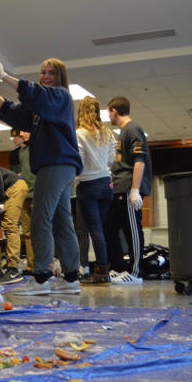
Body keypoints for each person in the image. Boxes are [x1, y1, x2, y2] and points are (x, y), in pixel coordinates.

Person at [0, 50, 83, 294]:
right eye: (43, 72)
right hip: (59, 166)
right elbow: (14, 112)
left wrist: (4, 76)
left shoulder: (59, 97)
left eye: (51, 73)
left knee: (41, 219)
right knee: (62, 220)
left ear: (60, 77)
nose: (46, 76)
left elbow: (35, 94)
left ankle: (40, 278)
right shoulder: (41, 108)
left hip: (56, 164)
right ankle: (71, 278)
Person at [103, 96, 152, 284]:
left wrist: (135, 190)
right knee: (109, 227)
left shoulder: (133, 129)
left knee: (132, 231)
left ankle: (136, 272)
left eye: (109, 112)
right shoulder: (122, 132)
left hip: (128, 189)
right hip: (118, 188)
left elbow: (139, 160)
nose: (109, 116)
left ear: (114, 111)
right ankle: (117, 267)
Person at [74, 96, 116, 284]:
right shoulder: (107, 132)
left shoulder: (79, 133)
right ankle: (103, 268)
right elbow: (111, 158)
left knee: (94, 230)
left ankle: (102, 271)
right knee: (99, 228)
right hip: (106, 184)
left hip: (88, 185)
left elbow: (79, 162)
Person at [10, 129, 35, 274]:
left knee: (42, 231)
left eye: (18, 135)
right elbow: (14, 174)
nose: (15, 139)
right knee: (27, 233)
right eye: (14, 136)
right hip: (24, 195)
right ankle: (31, 266)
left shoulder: (36, 149)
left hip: (38, 193)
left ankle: (46, 266)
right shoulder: (15, 154)